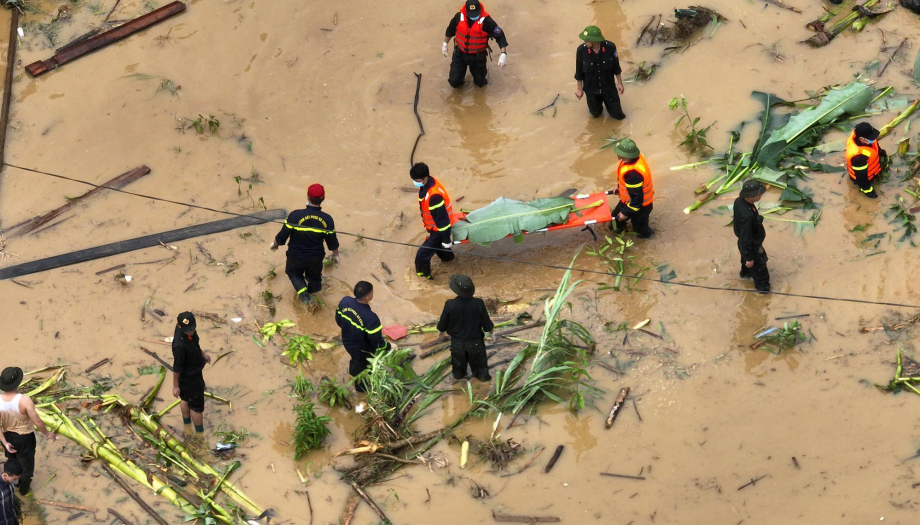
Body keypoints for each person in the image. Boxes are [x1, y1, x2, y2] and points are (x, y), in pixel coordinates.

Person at [271, 184, 340, 305]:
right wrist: (335, 255)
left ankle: (305, 297)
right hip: (315, 258)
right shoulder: (328, 220)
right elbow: (332, 242)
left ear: (308, 197)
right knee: (314, 278)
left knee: (293, 273)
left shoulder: (295, 215)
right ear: (323, 198)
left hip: (295, 256)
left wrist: (275, 244)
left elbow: (283, 235)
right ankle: (316, 296)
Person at [0, 367, 54, 497]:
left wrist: (5, 442)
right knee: (27, 469)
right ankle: (23, 492)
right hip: (24, 439)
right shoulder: (24, 400)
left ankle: (10, 487)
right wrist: (47, 434)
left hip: (8, 437)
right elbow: (38, 422)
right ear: (17, 383)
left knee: (12, 463)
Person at [335, 281, 393, 393]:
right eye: (372, 292)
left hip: (347, 341)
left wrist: (349, 329)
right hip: (362, 349)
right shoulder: (371, 319)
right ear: (367, 297)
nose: (373, 293)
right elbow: (377, 342)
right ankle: (361, 389)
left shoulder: (345, 302)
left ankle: (352, 374)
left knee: (355, 359)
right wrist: (389, 346)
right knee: (364, 368)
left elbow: (338, 320)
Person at [437, 274, 494, 381]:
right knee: (480, 365)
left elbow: (442, 323)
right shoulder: (478, 303)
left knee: (458, 364)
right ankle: (482, 377)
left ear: (456, 291)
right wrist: (490, 330)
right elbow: (486, 323)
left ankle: (459, 375)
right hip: (475, 342)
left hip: (457, 343)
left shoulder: (450, 304)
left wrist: (441, 331)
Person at [443, 0, 509, 88]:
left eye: (475, 13)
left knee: (480, 84)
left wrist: (503, 53)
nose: (473, 16)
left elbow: (500, 36)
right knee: (454, 82)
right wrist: (445, 44)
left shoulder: (487, 21)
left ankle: (483, 73)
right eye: (471, 14)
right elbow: (450, 30)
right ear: (466, 11)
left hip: (478, 57)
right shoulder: (458, 17)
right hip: (460, 54)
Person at [411, 163, 456, 279]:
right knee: (440, 247)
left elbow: (442, 220)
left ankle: (424, 276)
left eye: (417, 180)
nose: (415, 182)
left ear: (425, 178)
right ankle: (449, 259)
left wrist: (446, 238)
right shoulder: (429, 183)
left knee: (422, 255)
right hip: (435, 228)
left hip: (439, 230)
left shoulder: (434, 197)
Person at [171, 312, 211, 434]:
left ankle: (187, 425)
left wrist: (202, 353)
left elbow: (195, 343)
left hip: (191, 371)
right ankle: (200, 434)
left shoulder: (188, 331)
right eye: (188, 330)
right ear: (179, 327)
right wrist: (175, 386)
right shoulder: (180, 346)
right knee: (197, 407)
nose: (191, 332)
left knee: (185, 398)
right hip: (191, 376)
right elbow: (177, 367)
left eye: (192, 328)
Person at [574, 26, 626, 119]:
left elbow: (616, 67)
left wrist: (619, 83)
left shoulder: (610, 47)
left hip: (609, 89)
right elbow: (579, 71)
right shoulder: (581, 51)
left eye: (586, 40)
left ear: (594, 41)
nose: (584, 42)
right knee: (596, 115)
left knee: (618, 116)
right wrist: (579, 89)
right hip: (591, 91)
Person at [611, 138, 654, 238]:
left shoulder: (632, 174)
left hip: (641, 206)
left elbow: (637, 200)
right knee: (615, 220)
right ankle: (620, 232)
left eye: (619, 153)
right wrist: (620, 188)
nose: (617, 155)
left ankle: (647, 239)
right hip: (629, 200)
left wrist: (625, 213)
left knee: (641, 231)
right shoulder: (634, 159)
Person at [733, 180, 770, 294]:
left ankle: (745, 275)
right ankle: (763, 291)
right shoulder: (747, 216)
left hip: (744, 244)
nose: (760, 195)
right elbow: (746, 237)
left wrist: (746, 255)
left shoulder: (739, 201)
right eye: (759, 194)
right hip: (751, 245)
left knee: (746, 265)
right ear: (751, 196)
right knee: (760, 271)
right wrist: (749, 258)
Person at [845, 122, 889, 199]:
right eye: (871, 138)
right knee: (864, 184)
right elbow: (861, 178)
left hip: (870, 168)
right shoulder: (858, 157)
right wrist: (869, 191)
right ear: (862, 139)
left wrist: (881, 152)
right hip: (864, 177)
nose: (874, 139)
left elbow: (875, 146)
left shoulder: (862, 135)